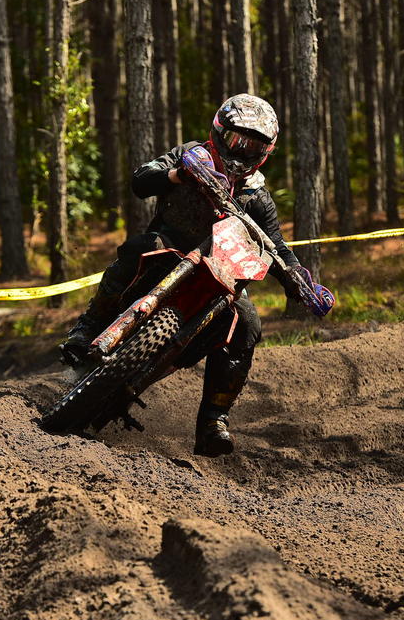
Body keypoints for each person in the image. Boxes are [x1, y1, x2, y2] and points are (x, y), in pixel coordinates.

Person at [60, 94, 332, 457]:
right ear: (220, 132)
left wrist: (298, 279)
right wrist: (177, 173)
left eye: (253, 146)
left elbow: (276, 245)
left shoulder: (258, 196)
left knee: (248, 324)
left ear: (266, 152)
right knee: (135, 249)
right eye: (237, 140)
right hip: (169, 248)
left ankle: (213, 420)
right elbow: (141, 180)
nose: (242, 150)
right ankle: (86, 329)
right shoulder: (192, 154)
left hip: (220, 273)